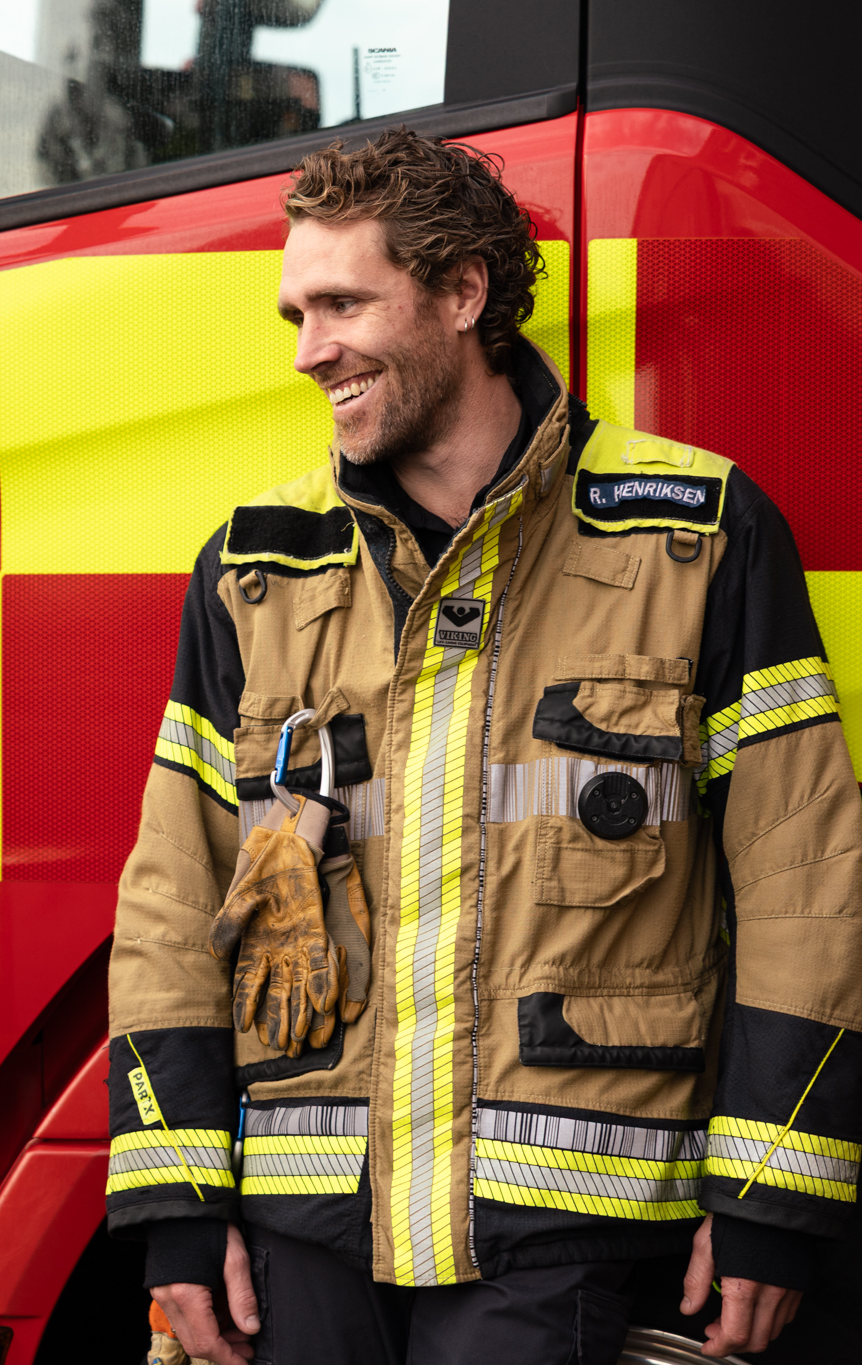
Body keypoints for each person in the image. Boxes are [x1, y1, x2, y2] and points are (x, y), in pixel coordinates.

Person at [106, 130, 862, 1364]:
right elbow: (171, 893)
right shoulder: (256, 561)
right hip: (305, 1223)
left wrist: (772, 1196)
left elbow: (802, 882)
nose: (307, 353)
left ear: (462, 294)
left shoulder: (699, 533)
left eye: (342, 303)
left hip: (558, 1226)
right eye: (297, 311)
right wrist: (177, 1209)